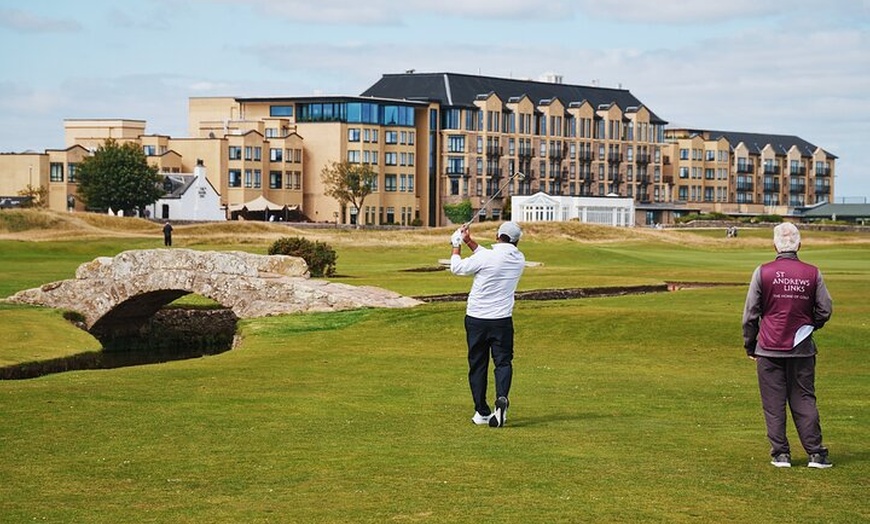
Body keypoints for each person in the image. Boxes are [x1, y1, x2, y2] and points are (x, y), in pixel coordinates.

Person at [742, 222, 833, 468]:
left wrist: (750, 346)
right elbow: (825, 310)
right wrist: (809, 326)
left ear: (774, 245)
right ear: (799, 245)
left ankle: (781, 454)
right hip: (801, 347)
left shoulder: (763, 272)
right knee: (804, 398)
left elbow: (750, 315)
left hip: (769, 347)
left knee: (773, 402)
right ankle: (816, 453)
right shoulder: (813, 272)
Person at [449, 222, 525, 428]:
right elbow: (489, 257)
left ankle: (481, 412)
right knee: (503, 362)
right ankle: (501, 399)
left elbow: (456, 268)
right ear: (517, 240)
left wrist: (456, 244)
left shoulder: (486, 257)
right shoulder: (519, 258)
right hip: (502, 321)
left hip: (477, 319)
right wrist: (468, 241)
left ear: (497, 235)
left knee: (478, 364)